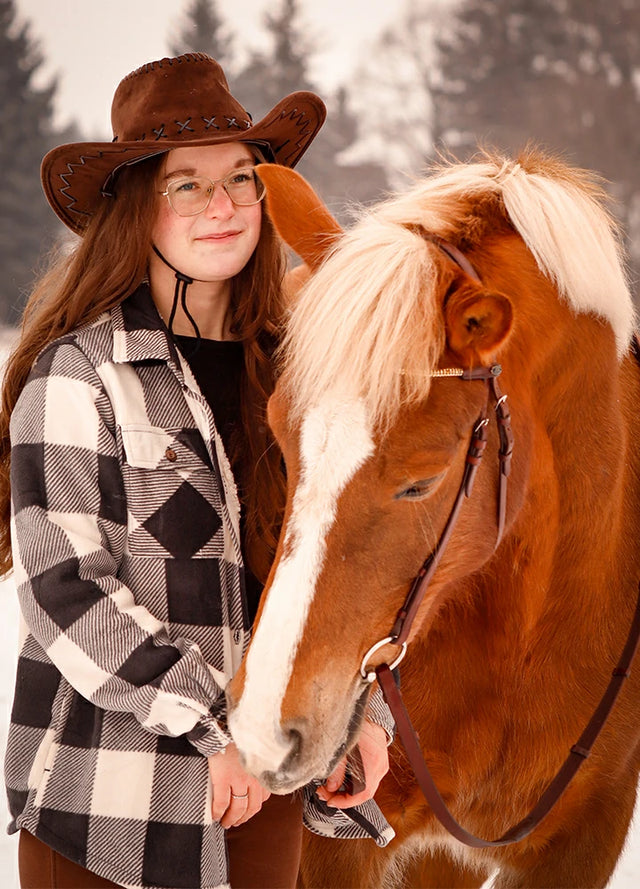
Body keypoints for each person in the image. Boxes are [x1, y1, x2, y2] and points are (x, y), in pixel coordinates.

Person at [0, 53, 394, 889]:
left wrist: (363, 714)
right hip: (108, 810)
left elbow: (336, 565)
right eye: (186, 184)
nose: (222, 206)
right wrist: (218, 730)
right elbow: (67, 587)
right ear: (137, 207)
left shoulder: (300, 380)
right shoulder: (81, 373)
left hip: (263, 809)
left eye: (241, 179)